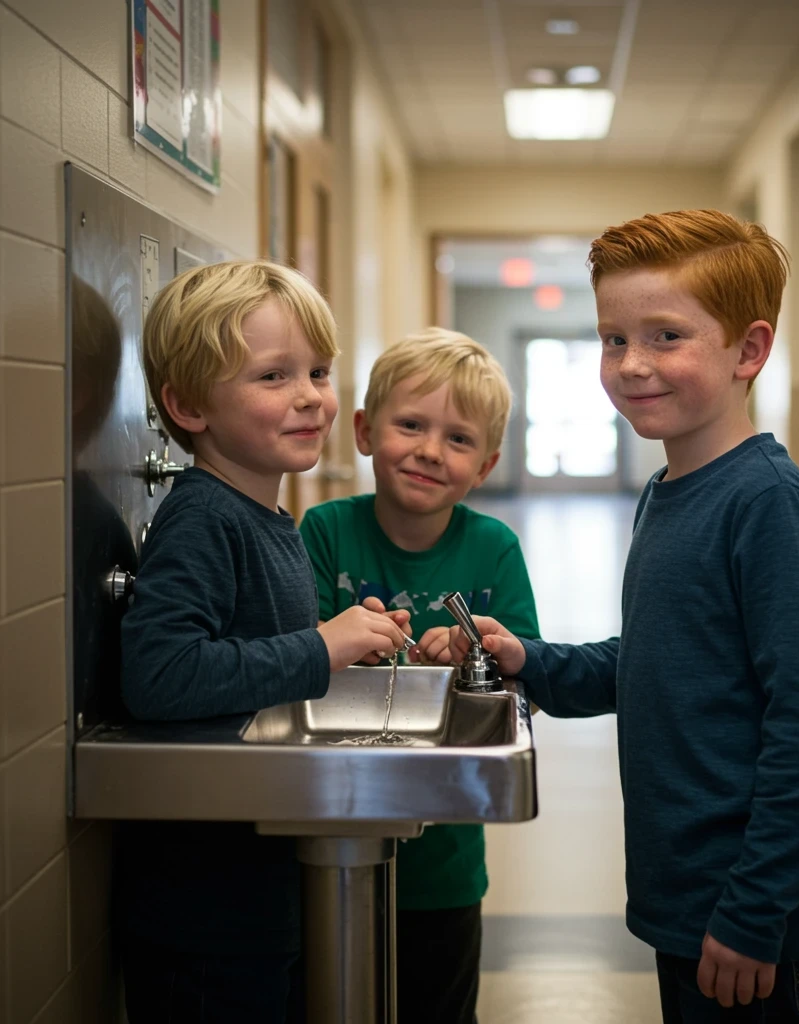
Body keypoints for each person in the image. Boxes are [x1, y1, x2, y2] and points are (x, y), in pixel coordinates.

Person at [448, 211, 799, 1023]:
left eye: (666, 336)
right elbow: (652, 662)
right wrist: (531, 660)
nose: (632, 364)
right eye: (613, 339)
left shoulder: (766, 506)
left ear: (749, 350)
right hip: (688, 889)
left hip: (752, 908)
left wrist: (753, 912)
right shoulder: (668, 492)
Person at [118, 260, 411, 1023]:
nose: (310, 396)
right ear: (188, 407)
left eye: (317, 370)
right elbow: (160, 674)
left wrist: (350, 643)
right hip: (205, 912)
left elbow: (259, 658)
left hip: (257, 883)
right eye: (273, 377)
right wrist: (320, 647)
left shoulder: (264, 517)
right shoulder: (203, 519)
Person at [299, 328, 540, 1024]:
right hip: (332, 832)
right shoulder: (322, 532)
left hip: (445, 863)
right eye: (410, 425)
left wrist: (474, 660)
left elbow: (526, 680)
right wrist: (348, 646)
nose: (432, 450)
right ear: (367, 431)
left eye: (459, 439)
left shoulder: (494, 550)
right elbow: (298, 657)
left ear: (487, 463)